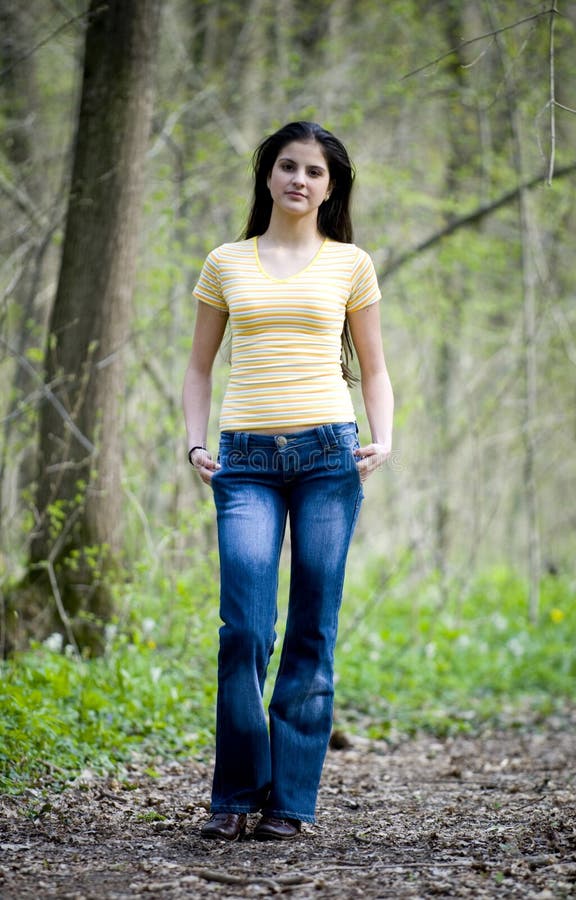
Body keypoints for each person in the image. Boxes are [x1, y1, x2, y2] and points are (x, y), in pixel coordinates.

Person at [182, 121, 393, 842]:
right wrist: (193, 443)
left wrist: (384, 437)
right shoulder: (225, 263)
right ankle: (236, 793)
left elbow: (374, 366)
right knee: (244, 628)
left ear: (331, 188)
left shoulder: (351, 264)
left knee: (312, 626)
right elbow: (198, 367)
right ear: (267, 174)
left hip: (329, 458)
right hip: (243, 464)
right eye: (287, 166)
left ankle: (291, 803)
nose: (299, 179)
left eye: (314, 172)